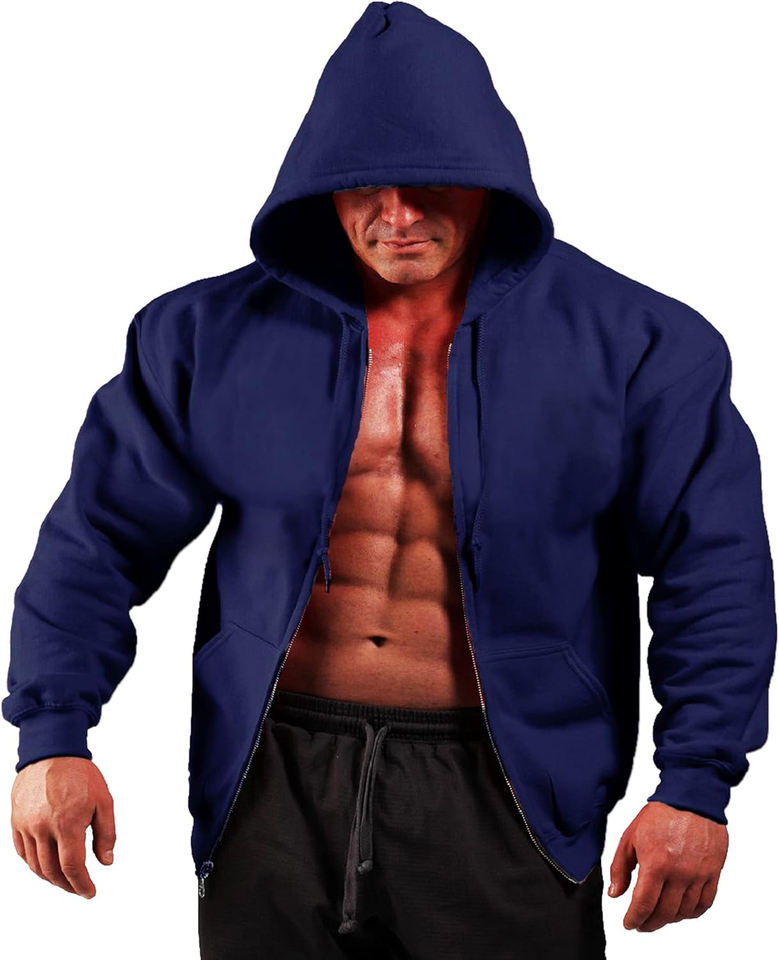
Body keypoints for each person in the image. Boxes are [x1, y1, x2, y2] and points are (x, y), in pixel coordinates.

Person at [4, 3, 776, 958]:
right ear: (315, 188)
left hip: (511, 785)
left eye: (430, 183)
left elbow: (715, 571)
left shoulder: (640, 344)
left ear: (491, 179)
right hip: (272, 777)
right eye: (364, 186)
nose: (398, 215)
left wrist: (695, 784)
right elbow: (98, 541)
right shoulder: (204, 336)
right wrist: (51, 734)